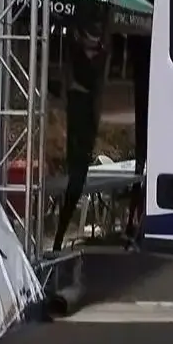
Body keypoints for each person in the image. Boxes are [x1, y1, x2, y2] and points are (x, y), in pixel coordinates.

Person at [52, 14, 108, 252]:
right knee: (75, 179)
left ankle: (59, 237)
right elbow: (70, 86)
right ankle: (58, 237)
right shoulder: (77, 56)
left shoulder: (97, 57)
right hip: (79, 120)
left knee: (77, 179)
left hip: (84, 121)